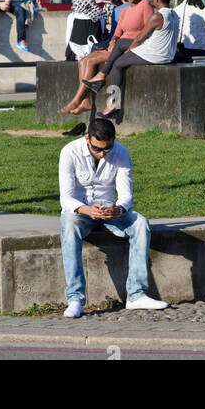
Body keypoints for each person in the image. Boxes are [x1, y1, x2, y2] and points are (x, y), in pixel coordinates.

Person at [58, 116, 168, 318]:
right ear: (87, 139)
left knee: (140, 224)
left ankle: (136, 294)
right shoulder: (69, 152)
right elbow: (65, 198)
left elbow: (126, 195)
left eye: (107, 149)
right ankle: (75, 298)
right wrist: (87, 210)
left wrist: (119, 209)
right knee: (69, 225)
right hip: (80, 210)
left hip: (110, 209)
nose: (102, 154)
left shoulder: (121, 152)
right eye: (97, 149)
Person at [62, 0, 154, 115]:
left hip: (133, 47)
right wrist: (113, 41)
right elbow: (117, 32)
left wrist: (130, 46)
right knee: (85, 60)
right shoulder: (125, 11)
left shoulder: (144, 5)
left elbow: (147, 31)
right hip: (120, 47)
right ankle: (85, 101)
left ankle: (81, 97)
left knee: (96, 61)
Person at [91, 0, 180, 117]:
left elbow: (139, 38)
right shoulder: (174, 15)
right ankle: (102, 75)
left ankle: (112, 104)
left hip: (155, 54)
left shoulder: (157, 16)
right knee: (121, 43)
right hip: (166, 53)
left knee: (117, 64)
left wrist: (129, 52)